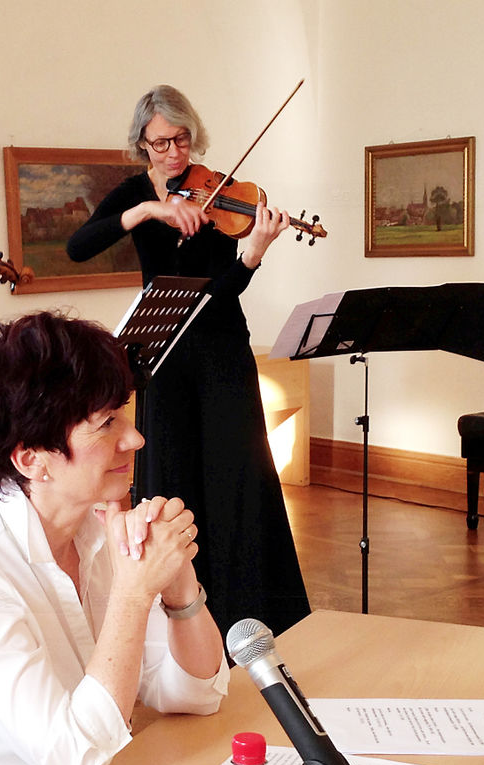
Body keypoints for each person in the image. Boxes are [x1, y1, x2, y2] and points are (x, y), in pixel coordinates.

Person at [0, 311, 229, 765]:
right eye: (106, 424)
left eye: (123, 414)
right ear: (30, 460)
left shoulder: (94, 525)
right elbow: (77, 758)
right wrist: (133, 592)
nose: (135, 438)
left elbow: (195, 695)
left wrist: (178, 583)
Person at [66, 84, 310, 641]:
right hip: (165, 355)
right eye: (159, 144)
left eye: (181, 140)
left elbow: (221, 294)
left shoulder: (219, 191)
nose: (173, 154)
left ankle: (249, 612)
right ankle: (177, 611)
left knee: (237, 475)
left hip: (221, 350)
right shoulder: (133, 194)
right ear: (141, 145)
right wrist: (149, 209)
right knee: (172, 478)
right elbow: (80, 246)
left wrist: (250, 256)